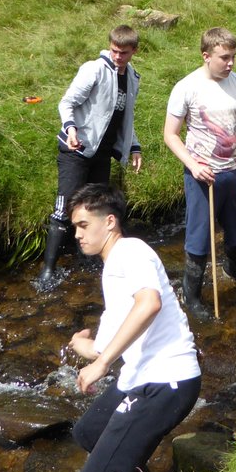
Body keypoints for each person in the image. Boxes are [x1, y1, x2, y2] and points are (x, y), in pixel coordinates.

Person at [64, 184, 201, 472]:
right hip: (143, 377)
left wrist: (102, 363)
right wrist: (86, 348)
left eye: (83, 225)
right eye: (75, 227)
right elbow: (110, 340)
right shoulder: (113, 268)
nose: (77, 234)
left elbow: (149, 304)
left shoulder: (130, 251)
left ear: (109, 222)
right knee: (89, 432)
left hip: (167, 381)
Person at [164, 28, 236, 321]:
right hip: (203, 177)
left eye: (233, 57)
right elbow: (170, 135)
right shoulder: (186, 87)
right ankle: (191, 295)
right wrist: (193, 165)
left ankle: (235, 268)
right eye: (224, 57)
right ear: (206, 56)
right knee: (199, 238)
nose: (230, 63)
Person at [42, 26, 143, 281]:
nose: (118, 57)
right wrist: (70, 128)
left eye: (124, 52)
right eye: (114, 51)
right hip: (76, 149)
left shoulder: (132, 78)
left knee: (95, 209)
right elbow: (67, 102)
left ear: (134, 51)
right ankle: (48, 270)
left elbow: (124, 118)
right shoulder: (94, 70)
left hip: (102, 153)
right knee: (64, 208)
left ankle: (88, 262)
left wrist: (133, 146)